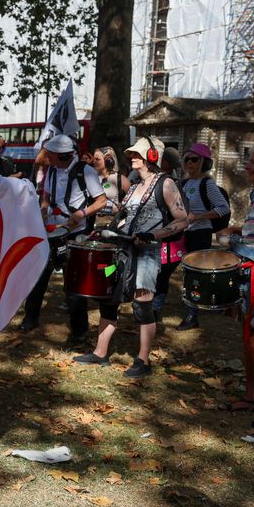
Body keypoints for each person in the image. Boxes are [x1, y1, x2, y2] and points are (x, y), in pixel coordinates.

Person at [73, 136, 188, 378]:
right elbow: (124, 216)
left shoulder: (165, 184)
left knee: (142, 304)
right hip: (121, 250)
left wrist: (153, 234)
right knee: (109, 297)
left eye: (138, 154)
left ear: (152, 157)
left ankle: (143, 360)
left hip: (146, 253)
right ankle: (100, 353)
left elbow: (182, 219)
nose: (132, 157)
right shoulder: (134, 186)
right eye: (133, 154)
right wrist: (106, 231)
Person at [16, 134, 107, 344]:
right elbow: (46, 197)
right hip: (52, 231)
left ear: (63, 156)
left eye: (51, 154)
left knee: (74, 282)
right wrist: (44, 208)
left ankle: (79, 330)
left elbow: (101, 201)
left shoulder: (86, 171)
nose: (47, 157)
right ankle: (31, 318)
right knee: (39, 275)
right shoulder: (52, 171)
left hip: (75, 233)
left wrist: (81, 214)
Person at [217, 146, 254, 417]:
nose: (246, 165)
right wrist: (237, 229)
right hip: (250, 268)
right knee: (249, 335)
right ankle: (252, 396)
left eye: (253, 161)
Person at [171, 143, 230, 330]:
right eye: (186, 159)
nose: (189, 162)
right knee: (183, 272)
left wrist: (198, 216)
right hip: (184, 233)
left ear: (204, 162)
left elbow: (223, 208)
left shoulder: (207, 184)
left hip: (201, 233)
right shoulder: (183, 183)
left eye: (194, 159)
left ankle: (192, 315)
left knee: (196, 274)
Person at [91, 146, 130, 216]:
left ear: (108, 161)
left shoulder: (120, 179)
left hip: (112, 223)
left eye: (97, 159)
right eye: (93, 159)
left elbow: (132, 201)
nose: (94, 162)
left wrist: (123, 205)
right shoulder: (90, 178)